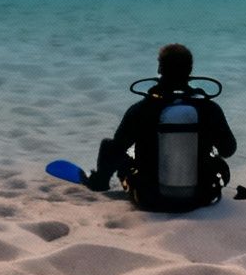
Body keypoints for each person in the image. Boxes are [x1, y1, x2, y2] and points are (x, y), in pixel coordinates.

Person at [84, 43, 236, 211]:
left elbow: (116, 149)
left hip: (149, 199)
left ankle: (98, 184)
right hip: (201, 198)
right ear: (190, 70)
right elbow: (228, 150)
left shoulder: (142, 109)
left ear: (160, 68)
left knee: (109, 145)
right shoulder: (209, 108)